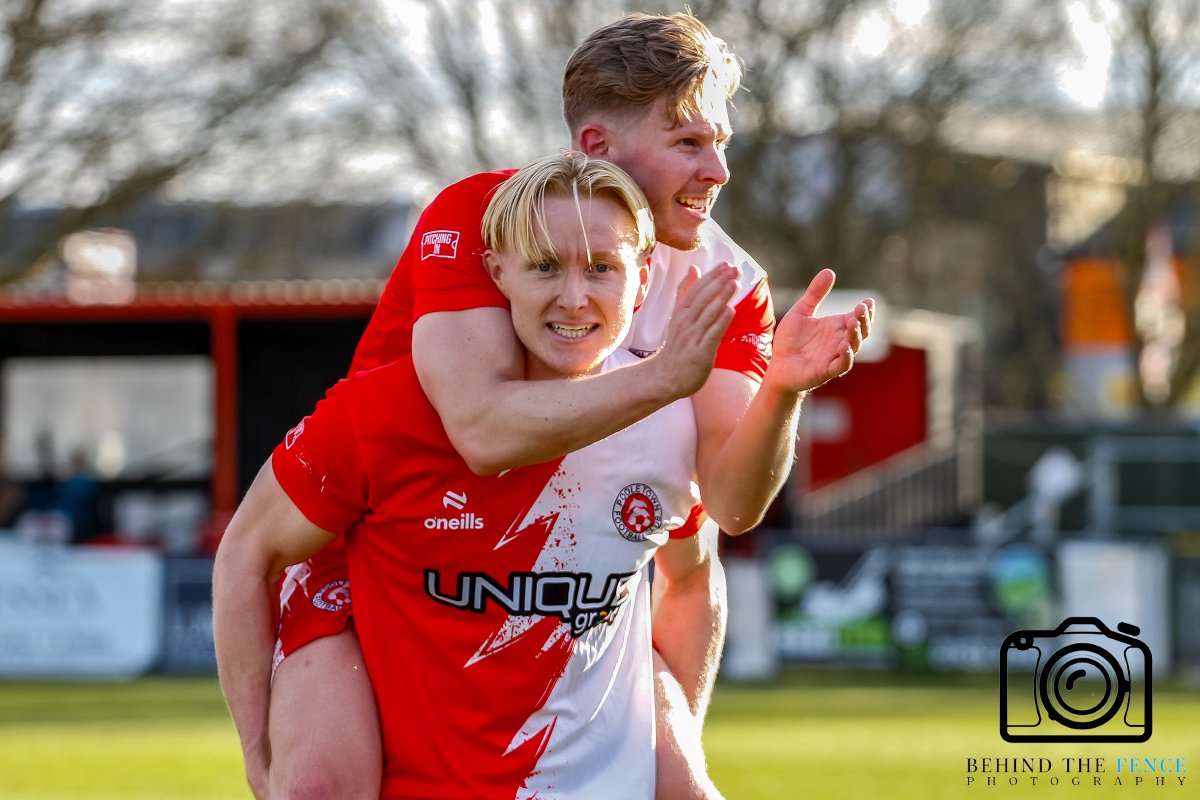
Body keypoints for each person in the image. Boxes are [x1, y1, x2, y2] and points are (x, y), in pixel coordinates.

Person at [218, 11, 874, 800]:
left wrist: (782, 396)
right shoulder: (483, 217)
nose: (718, 171)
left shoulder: (726, 281)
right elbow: (482, 429)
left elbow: (732, 504)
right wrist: (664, 378)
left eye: (722, 143)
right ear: (597, 147)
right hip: (387, 550)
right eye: (689, 144)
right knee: (319, 786)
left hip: (570, 555)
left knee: (682, 785)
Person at [215, 153, 747, 799]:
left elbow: (691, 576)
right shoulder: (386, 410)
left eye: (601, 268)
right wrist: (258, 758)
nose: (573, 297)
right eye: (545, 266)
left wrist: (675, 740)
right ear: (499, 276)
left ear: (640, 285)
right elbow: (247, 553)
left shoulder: (672, 422)